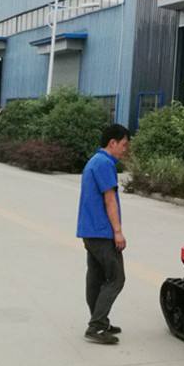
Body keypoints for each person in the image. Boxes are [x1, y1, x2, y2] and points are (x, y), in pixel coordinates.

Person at [76, 123, 130, 344]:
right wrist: (118, 232)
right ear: (113, 143)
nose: (125, 149)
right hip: (101, 232)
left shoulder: (94, 161)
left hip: (89, 231)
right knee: (116, 278)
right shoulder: (105, 164)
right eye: (124, 145)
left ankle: (100, 320)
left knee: (96, 277)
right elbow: (110, 201)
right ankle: (96, 326)